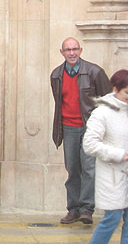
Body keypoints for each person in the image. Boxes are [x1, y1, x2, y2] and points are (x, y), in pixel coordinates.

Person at [51, 37, 111, 224]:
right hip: (68, 128)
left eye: (75, 49)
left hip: (90, 128)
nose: (72, 53)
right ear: (62, 52)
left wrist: (103, 127)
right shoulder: (56, 75)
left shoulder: (94, 72)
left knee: (89, 169)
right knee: (72, 169)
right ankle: (73, 209)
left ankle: (86, 209)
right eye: (68, 50)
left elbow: (108, 100)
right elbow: (59, 101)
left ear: (81, 50)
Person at [83, 69, 128, 244]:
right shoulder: (102, 113)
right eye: (126, 93)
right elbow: (89, 144)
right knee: (113, 218)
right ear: (115, 89)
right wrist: (120, 155)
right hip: (112, 176)